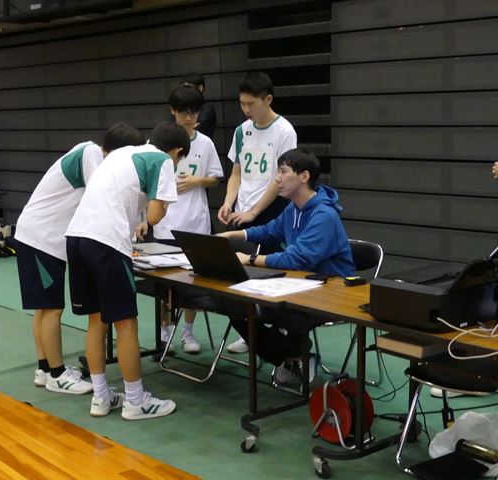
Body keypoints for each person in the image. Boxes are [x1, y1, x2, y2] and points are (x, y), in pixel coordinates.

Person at [66, 121, 190, 420]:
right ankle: (135, 401)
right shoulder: (162, 160)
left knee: (97, 321)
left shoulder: (123, 154)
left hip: (76, 237)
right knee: (126, 324)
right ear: (177, 152)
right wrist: (161, 203)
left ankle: (101, 397)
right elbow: (155, 216)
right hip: (106, 243)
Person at [14, 123, 146, 396]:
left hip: (40, 236)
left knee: (43, 308)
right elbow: (106, 199)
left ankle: (45, 368)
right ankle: (57, 375)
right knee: (51, 309)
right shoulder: (91, 155)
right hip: (42, 236)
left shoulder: (90, 155)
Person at [219, 148, 354, 386]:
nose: (277, 179)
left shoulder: (324, 215)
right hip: (299, 283)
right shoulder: (293, 209)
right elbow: (269, 231)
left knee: (285, 314)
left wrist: (249, 259)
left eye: (283, 172)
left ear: (304, 176)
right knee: (235, 303)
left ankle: (295, 355)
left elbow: (297, 258)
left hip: (331, 290)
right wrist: (233, 235)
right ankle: (293, 356)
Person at [217, 71, 298, 353]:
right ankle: (250, 330)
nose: (246, 109)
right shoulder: (242, 130)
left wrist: (254, 211)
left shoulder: (284, 131)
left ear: (268, 100)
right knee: (238, 276)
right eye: (242, 103)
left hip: (270, 211)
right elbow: (236, 173)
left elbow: (280, 179)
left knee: (267, 276)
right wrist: (229, 202)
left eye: (251, 103)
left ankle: (278, 336)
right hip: (243, 212)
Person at [139, 85, 223, 354]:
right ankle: (164, 332)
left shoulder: (206, 143)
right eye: (184, 112)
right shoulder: (157, 143)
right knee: (164, 284)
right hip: (165, 223)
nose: (189, 117)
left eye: (194, 112)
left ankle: (187, 330)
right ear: (173, 111)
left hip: (196, 223)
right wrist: (144, 218)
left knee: (194, 280)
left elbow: (216, 177)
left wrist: (198, 181)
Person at [179, 72, 217, 139]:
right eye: (183, 88)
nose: (185, 91)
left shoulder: (207, 109)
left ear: (200, 88)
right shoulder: (180, 107)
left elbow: (196, 130)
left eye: (188, 88)